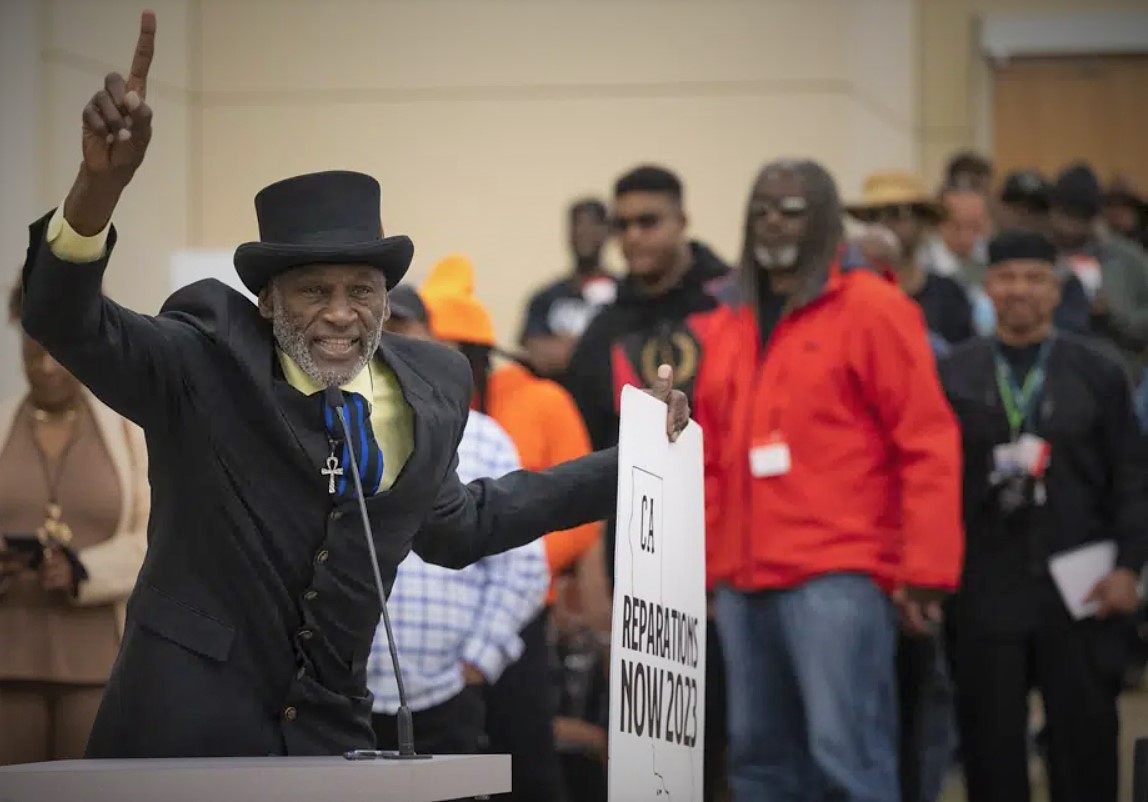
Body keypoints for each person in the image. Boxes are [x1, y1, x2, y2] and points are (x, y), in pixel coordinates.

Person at [19, 12, 689, 759]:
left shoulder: (429, 387)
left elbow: (462, 525)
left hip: (331, 736)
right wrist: (99, 188)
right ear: (267, 300)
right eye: (314, 291)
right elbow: (63, 319)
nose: (342, 314)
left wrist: (633, 458)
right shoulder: (200, 361)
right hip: (182, 728)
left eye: (362, 291)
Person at [691, 158, 963, 802]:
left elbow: (927, 440)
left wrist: (927, 568)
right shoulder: (727, 321)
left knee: (848, 761)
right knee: (757, 765)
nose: (773, 222)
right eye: (761, 209)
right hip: (741, 582)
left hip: (839, 575)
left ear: (827, 220)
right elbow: (711, 458)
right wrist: (704, 566)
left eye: (791, 210)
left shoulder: (875, 309)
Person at [938, 229, 1148, 802]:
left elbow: (1132, 477)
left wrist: (1130, 567)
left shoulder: (1098, 372)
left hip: (1081, 586)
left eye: (1034, 278)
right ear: (988, 288)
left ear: (1057, 290)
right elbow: (933, 481)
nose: (1020, 290)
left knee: (1085, 745)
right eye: (1007, 278)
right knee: (990, 749)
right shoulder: (953, 374)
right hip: (984, 586)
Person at [421, 254, 606, 801]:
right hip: (442, 620)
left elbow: (579, 513)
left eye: (443, 353)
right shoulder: (417, 413)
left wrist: (506, 555)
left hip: (522, 611)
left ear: (472, 353)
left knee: (524, 752)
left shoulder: (542, 401)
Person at [367, 286, 550, 756]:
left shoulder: (484, 438)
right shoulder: (333, 430)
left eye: (402, 327)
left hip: (448, 694)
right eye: (379, 329)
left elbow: (522, 566)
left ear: (431, 340)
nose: (389, 341)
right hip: (344, 696)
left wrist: (478, 660)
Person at [0, 279, 150, 765]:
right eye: (33, 353)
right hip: (7, 661)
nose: (46, 368)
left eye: (58, 354)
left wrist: (84, 569)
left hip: (100, 663)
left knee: (87, 788)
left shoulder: (130, 432)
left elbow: (155, 537)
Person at [847, 170, 974, 347]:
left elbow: (965, 356)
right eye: (873, 215)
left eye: (896, 214)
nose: (883, 223)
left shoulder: (949, 295)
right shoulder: (851, 294)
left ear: (923, 223)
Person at [1048, 163, 1148, 374]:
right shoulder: (1037, 255)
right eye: (1065, 213)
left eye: (1080, 216)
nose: (1070, 226)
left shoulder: (1127, 258)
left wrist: (1112, 315)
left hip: (1116, 372)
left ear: (1095, 216)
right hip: (1052, 371)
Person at [518, 199, 616, 380]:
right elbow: (536, 354)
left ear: (608, 231)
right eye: (577, 224)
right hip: (556, 395)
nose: (583, 232)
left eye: (592, 224)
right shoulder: (546, 297)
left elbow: (624, 352)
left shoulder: (624, 294)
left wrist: (570, 346)